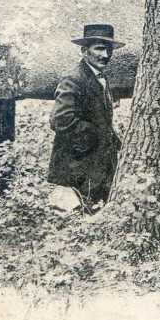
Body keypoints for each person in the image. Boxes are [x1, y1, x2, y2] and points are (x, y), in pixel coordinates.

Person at [47, 23, 125, 213]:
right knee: (71, 220)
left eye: (108, 49)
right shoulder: (74, 79)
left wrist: (117, 143)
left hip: (95, 166)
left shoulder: (101, 78)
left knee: (93, 216)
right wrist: (95, 136)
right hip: (74, 166)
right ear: (84, 50)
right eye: (99, 48)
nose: (105, 55)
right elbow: (60, 119)